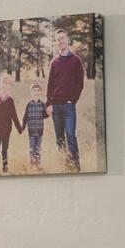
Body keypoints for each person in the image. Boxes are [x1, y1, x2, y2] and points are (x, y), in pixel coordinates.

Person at [44, 28, 87, 171]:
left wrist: (72, 100)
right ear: (57, 43)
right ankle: (64, 166)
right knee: (59, 139)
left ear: (67, 40)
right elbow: (49, 84)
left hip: (69, 107)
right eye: (58, 39)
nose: (60, 41)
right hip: (55, 106)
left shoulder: (76, 61)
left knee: (70, 135)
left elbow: (80, 83)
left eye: (62, 38)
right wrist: (48, 104)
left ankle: (76, 167)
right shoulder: (54, 62)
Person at [0, 83, 19, 173]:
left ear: (9, 86)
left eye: (7, 83)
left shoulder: (10, 100)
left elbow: (14, 115)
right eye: (3, 83)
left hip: (6, 129)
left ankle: (5, 167)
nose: (4, 85)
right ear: (0, 84)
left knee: (4, 150)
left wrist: (19, 128)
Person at [22, 83, 48, 170]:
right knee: (32, 149)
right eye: (34, 90)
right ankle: (31, 166)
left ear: (40, 93)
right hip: (31, 131)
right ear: (31, 92)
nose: (36, 92)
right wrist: (22, 127)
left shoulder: (42, 104)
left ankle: (38, 165)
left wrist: (49, 112)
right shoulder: (29, 104)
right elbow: (25, 117)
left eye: (38, 91)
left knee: (38, 149)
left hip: (40, 131)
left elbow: (45, 115)